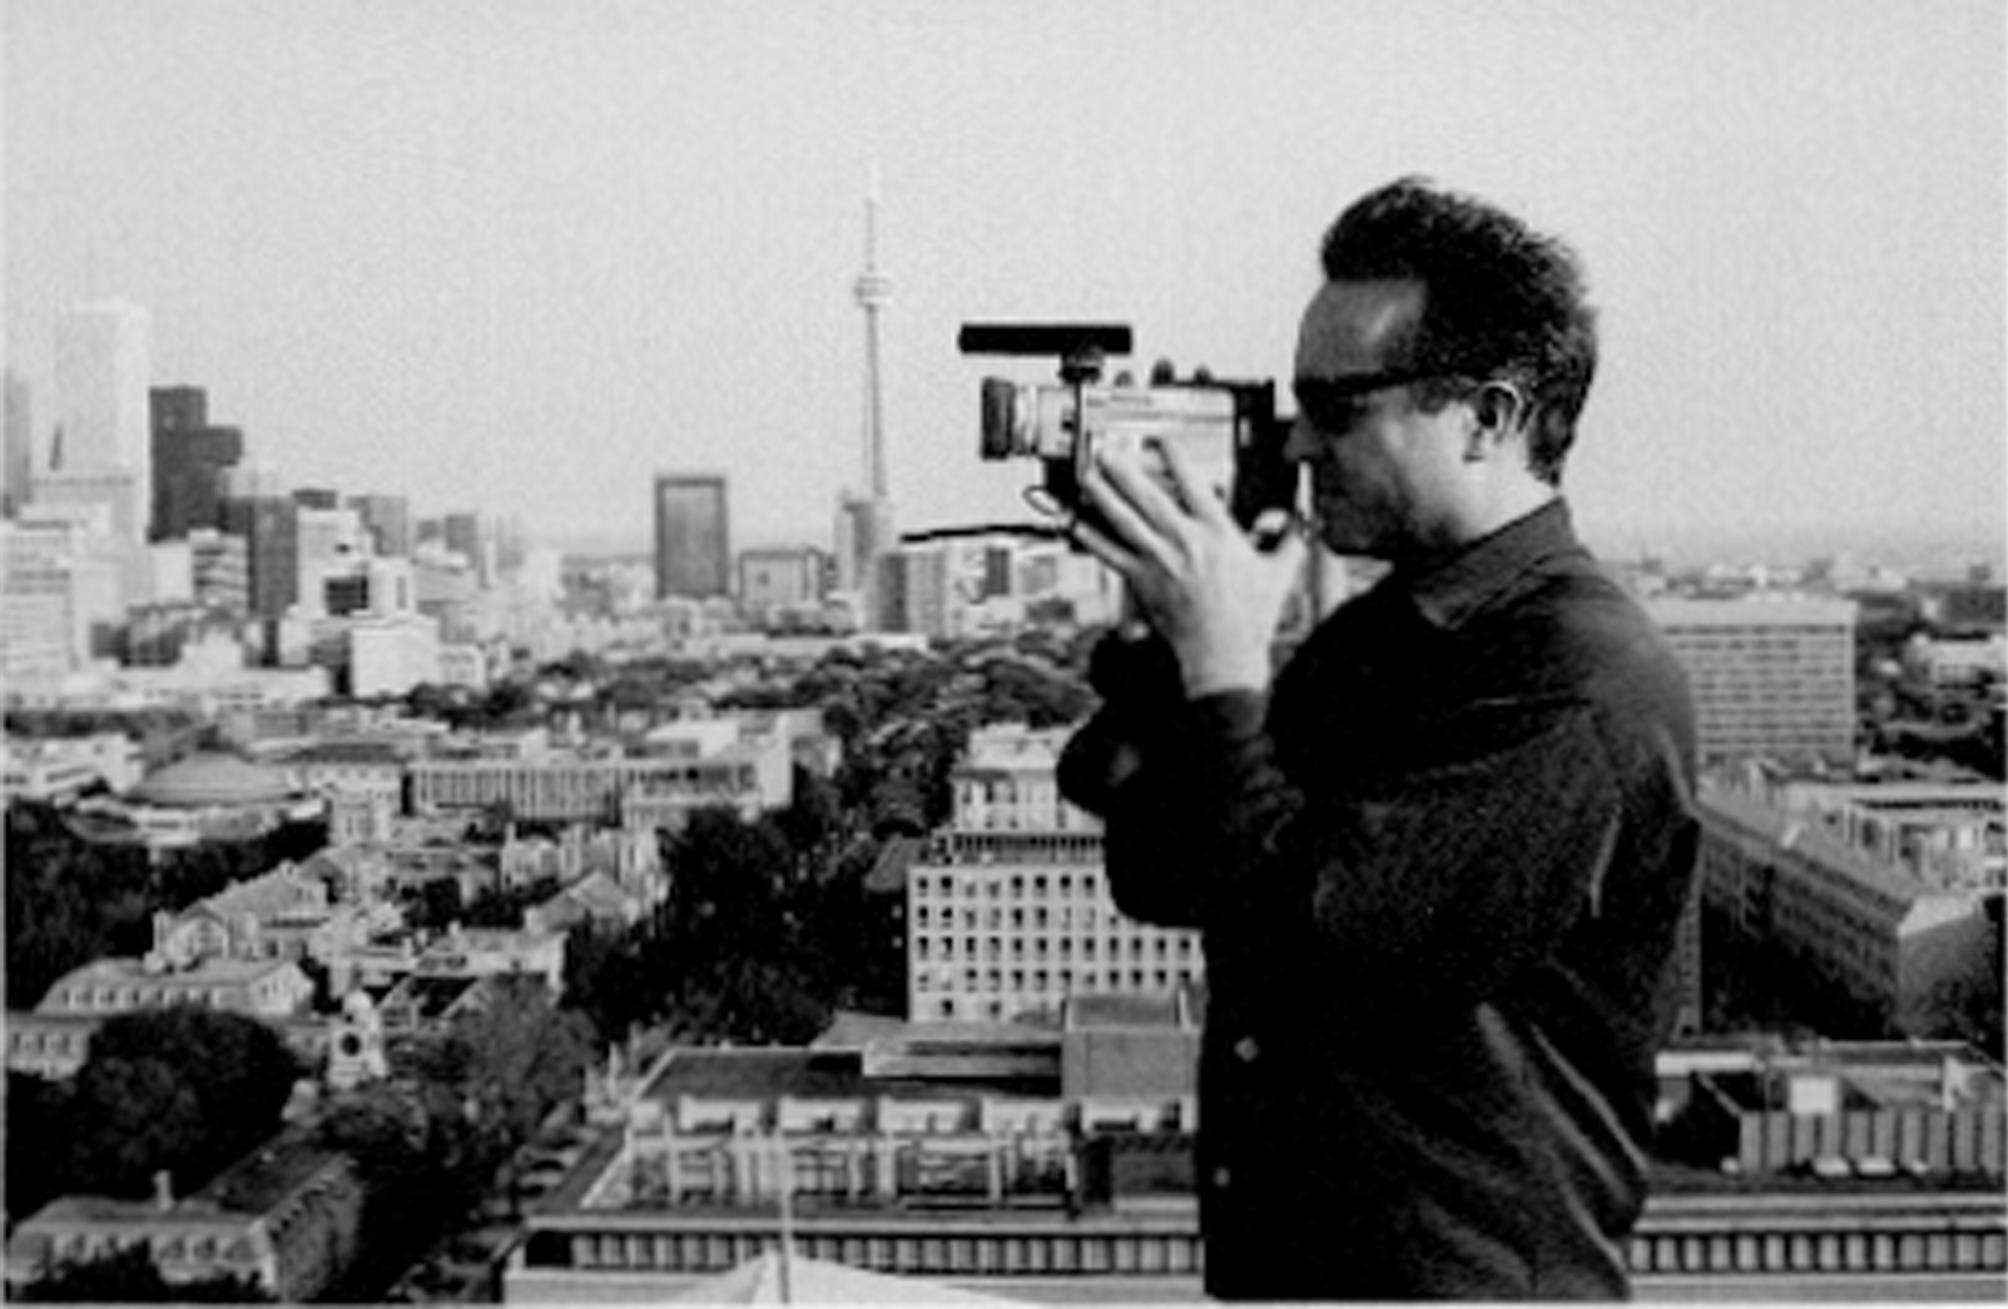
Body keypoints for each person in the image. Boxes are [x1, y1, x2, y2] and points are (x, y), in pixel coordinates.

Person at [1056, 177, 1700, 1300]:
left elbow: (1331, 942)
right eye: (1293, 402)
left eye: (1337, 405)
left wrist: (1225, 669)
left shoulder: (1580, 676)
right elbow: (1166, 869)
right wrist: (1167, 644)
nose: (1299, 439)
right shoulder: (1381, 638)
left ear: (1487, 417)